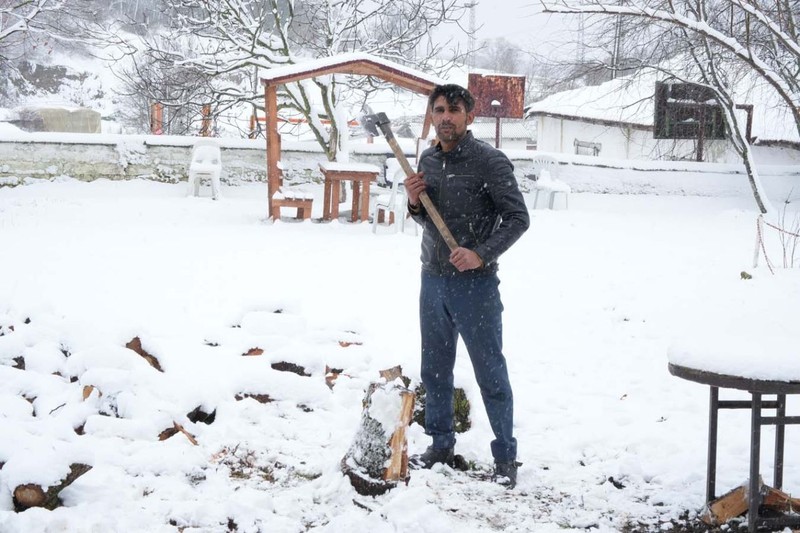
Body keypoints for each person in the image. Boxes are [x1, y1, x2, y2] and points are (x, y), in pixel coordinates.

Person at [404, 84, 530, 488]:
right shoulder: (428, 159)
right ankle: (441, 445)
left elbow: (517, 219)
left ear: (469, 116)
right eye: (438, 110)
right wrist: (414, 203)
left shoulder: (489, 162)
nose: (445, 117)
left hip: (474, 285)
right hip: (433, 279)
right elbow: (428, 221)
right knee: (435, 369)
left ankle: (505, 456)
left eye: (453, 110)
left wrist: (481, 253)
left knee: (490, 370)